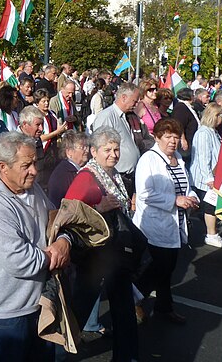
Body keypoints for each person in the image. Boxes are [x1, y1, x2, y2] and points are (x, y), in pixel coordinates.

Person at [0, 132, 71, 362]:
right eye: (26, 165)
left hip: (38, 303)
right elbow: (19, 261)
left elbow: (57, 219)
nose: (34, 171)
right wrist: (54, 254)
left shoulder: (31, 188)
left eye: (34, 162)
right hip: (9, 313)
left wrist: (64, 241)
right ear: (3, 167)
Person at [65, 127, 139, 361]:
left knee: (124, 309)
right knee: (80, 309)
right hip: (94, 256)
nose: (113, 154)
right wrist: (99, 208)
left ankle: (126, 356)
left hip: (116, 253)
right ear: (94, 152)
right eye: (107, 150)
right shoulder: (86, 177)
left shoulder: (114, 175)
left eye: (116, 149)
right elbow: (68, 215)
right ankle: (59, 352)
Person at [133, 118, 199, 324]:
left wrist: (192, 197)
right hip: (155, 225)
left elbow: (186, 185)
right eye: (168, 137)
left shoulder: (178, 158)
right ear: (157, 137)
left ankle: (164, 306)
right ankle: (133, 297)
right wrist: (174, 200)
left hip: (176, 223)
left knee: (168, 267)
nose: (173, 141)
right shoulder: (148, 160)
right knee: (161, 266)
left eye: (176, 137)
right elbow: (144, 194)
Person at [91, 82, 141, 195]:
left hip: (127, 176)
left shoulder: (125, 116)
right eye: (135, 101)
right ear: (124, 97)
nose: (137, 104)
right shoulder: (107, 117)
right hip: (117, 177)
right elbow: (101, 147)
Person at [190, 102, 222, 248]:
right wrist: (209, 178)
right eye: (220, 115)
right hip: (204, 179)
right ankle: (211, 234)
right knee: (209, 207)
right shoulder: (204, 133)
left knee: (209, 207)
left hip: (212, 177)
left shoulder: (213, 132)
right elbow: (203, 157)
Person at [48, 130, 90, 207]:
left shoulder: (76, 170)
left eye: (87, 146)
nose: (87, 150)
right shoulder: (63, 175)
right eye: (82, 147)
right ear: (69, 152)